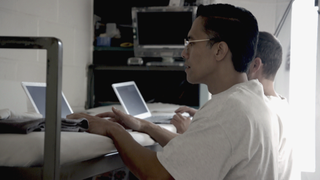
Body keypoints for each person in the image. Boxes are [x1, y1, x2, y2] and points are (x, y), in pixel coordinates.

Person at [67, 4, 279, 179]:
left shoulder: (228, 110)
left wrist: (112, 130)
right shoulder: (251, 101)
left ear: (219, 50)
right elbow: (193, 153)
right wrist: (144, 126)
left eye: (192, 42)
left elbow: (158, 174)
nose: (184, 52)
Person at [172, 31, 294, 180]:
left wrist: (186, 132)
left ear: (255, 64)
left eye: (242, 60)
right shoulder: (281, 106)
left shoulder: (261, 109)